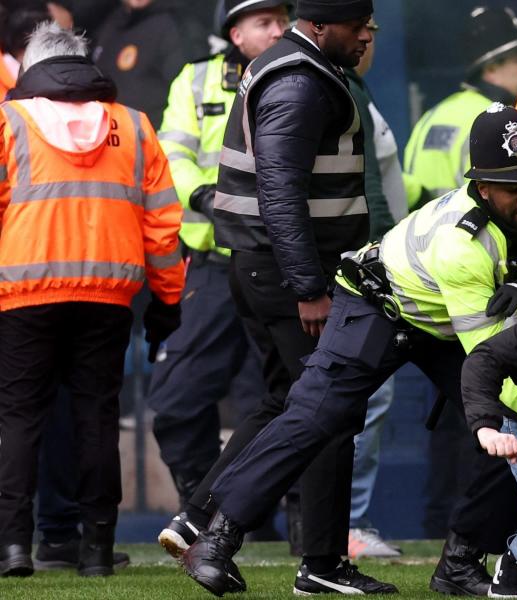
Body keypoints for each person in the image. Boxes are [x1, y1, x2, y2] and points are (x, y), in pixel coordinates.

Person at [179, 103, 517, 597]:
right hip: (379, 304)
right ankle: (217, 538)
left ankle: (460, 561)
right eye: (512, 186)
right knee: (314, 415)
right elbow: (490, 361)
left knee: (505, 426)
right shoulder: (460, 244)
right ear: (482, 189)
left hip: (447, 322)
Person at [157, 1, 397, 594]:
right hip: (288, 275)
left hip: (263, 268)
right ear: (319, 26)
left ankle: (196, 518)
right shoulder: (300, 80)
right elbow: (281, 195)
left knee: (282, 401)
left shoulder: (294, 67)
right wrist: (309, 289)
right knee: (330, 411)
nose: (368, 33)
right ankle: (321, 564)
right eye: (357, 24)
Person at [0, 22, 184, 577]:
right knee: (97, 419)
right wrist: (167, 300)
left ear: (32, 68)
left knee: (18, 418)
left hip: (23, 294)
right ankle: (97, 551)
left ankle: (13, 547)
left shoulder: (9, 121)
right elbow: (162, 226)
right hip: (108, 296)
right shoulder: (133, 125)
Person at [149, 0, 289, 522]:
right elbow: (172, 154)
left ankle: (280, 521)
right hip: (210, 267)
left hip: (280, 267)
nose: (278, 29)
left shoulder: (307, 76)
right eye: (264, 22)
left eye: (283, 19)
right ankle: (203, 509)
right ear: (235, 33)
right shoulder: (194, 80)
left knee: (289, 401)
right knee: (175, 402)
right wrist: (204, 197)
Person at [343, 16, 408, 560]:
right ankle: (345, 522)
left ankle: (339, 521)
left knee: (365, 397)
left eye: (373, 28)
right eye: (358, 27)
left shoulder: (357, 89)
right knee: (360, 395)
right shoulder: (336, 86)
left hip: (375, 262)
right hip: (358, 267)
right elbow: (365, 192)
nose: (368, 39)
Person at [403, 7, 517, 206]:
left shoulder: (432, 116)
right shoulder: (498, 122)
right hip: (469, 234)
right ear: (491, 68)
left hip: (420, 233)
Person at [92, 0, 187, 128]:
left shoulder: (173, 27)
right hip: (103, 133)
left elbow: (183, 93)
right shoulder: (111, 21)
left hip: (147, 138)